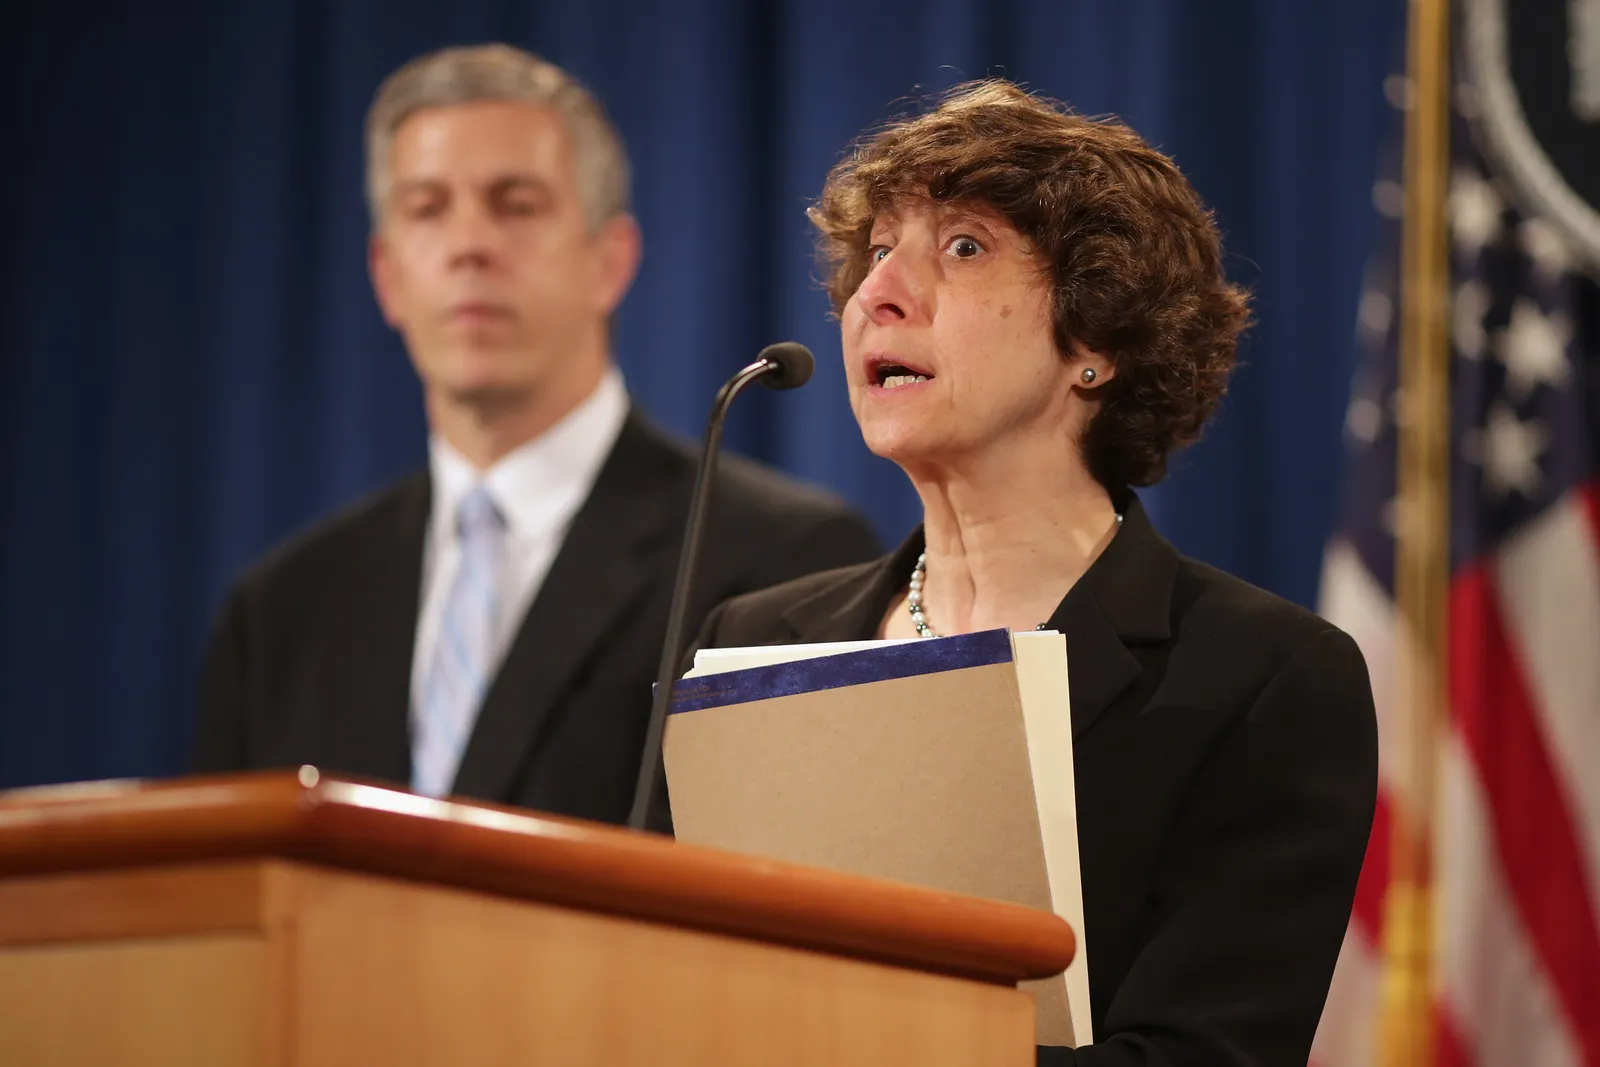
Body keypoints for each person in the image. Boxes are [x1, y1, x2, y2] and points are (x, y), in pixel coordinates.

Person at [655, 81, 1378, 1066]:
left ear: (1095, 338)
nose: (878, 293)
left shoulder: (1261, 678)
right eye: (877, 251)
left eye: (961, 246)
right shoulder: (752, 642)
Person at [189, 44, 881, 823]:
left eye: (515, 204)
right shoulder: (283, 608)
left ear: (609, 260)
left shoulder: (780, 563)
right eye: (427, 208)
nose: (469, 245)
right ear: (387, 276)